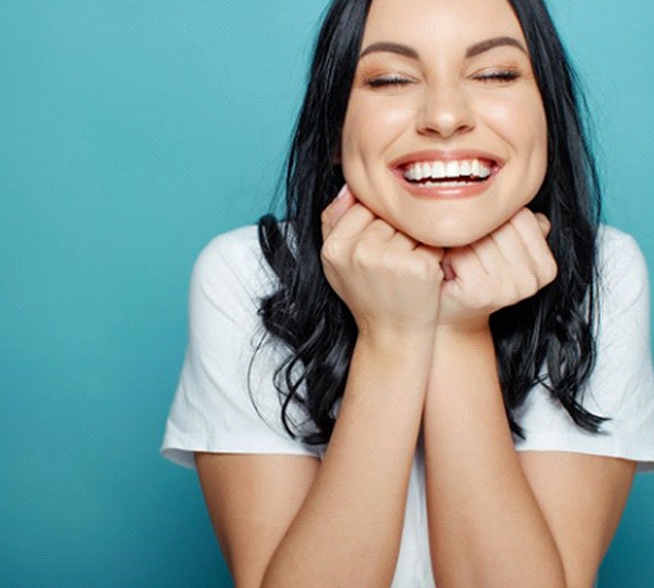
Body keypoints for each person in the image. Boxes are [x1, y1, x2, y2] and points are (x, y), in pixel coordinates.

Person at [161, 0, 654, 585]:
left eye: (495, 73)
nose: (444, 116)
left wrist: (457, 328)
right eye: (390, 79)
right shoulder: (250, 275)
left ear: (548, 107)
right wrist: (392, 338)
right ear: (336, 123)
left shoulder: (603, 273)